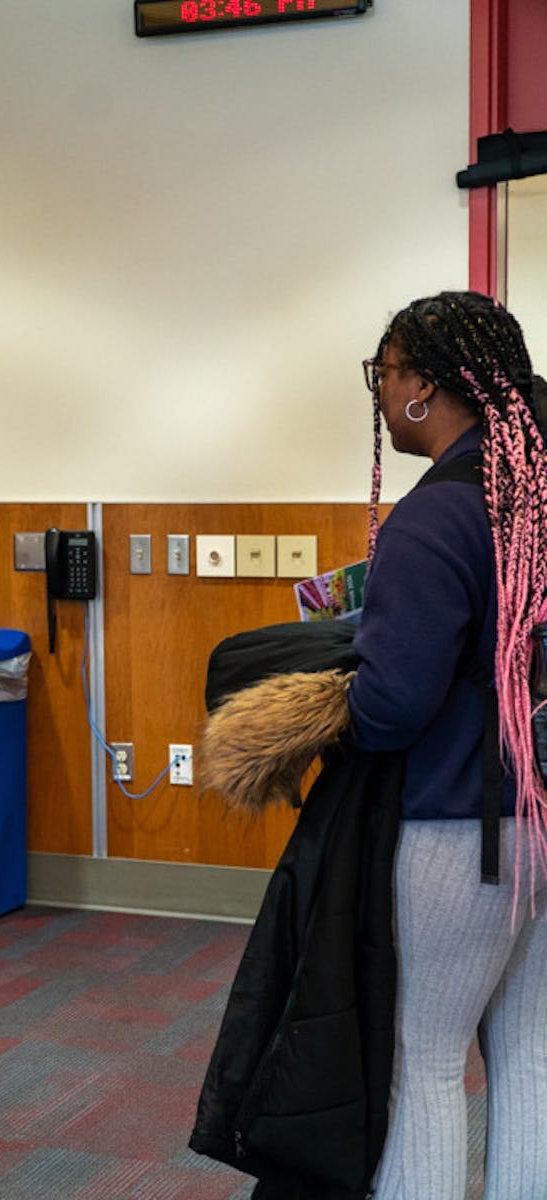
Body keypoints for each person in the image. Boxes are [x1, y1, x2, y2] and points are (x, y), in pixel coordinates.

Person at [349, 291, 547, 1199]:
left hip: (460, 828)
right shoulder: (530, 496)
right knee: (530, 1053)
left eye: (382, 376)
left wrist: (337, 698)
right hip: (538, 814)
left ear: (423, 386)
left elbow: (393, 706)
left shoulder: (436, 517)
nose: (381, 397)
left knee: (422, 1060)